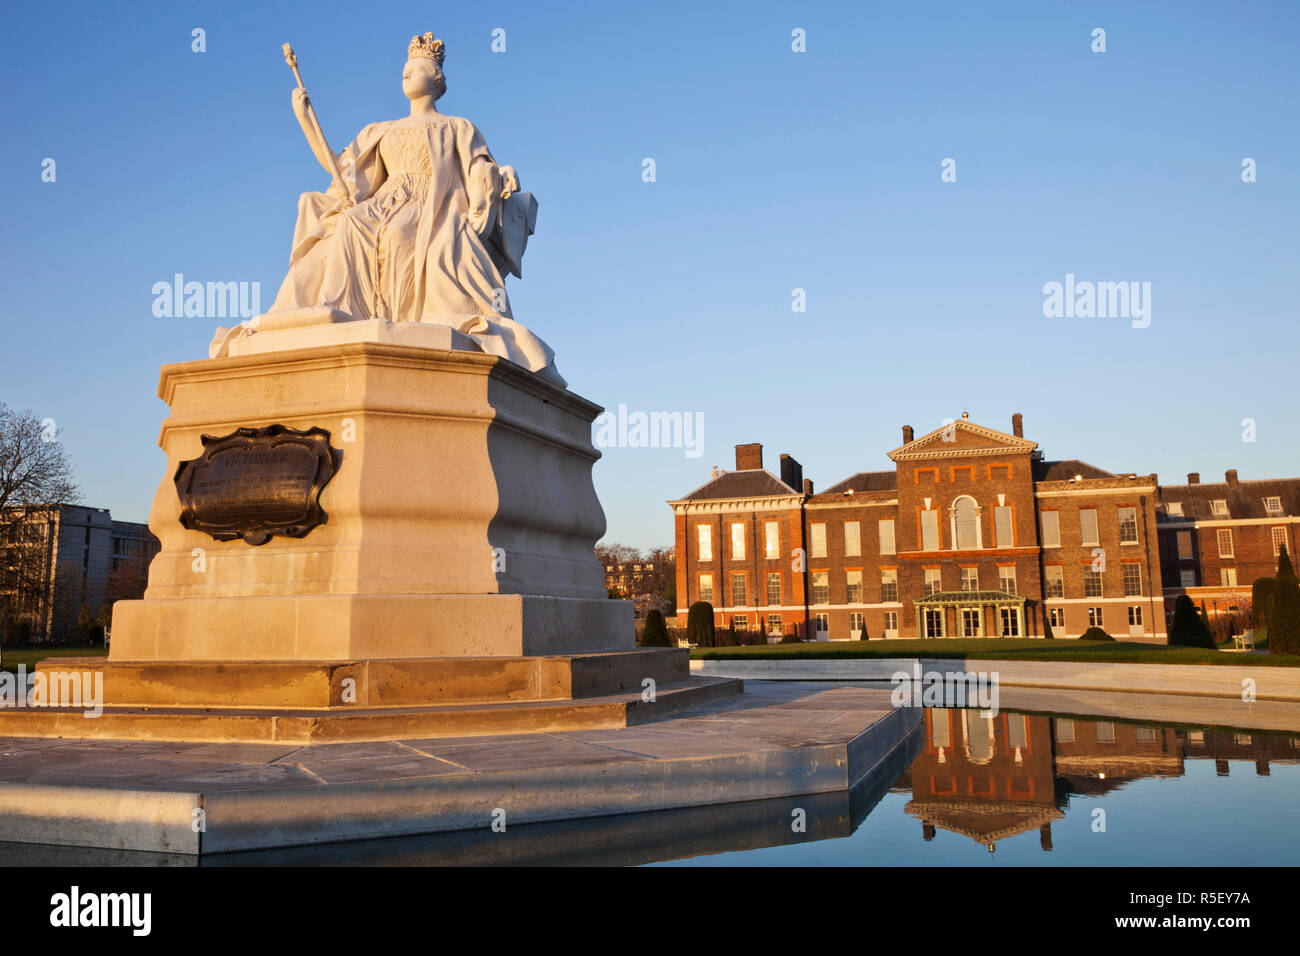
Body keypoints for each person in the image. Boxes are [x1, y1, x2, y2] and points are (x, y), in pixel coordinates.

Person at [265, 32, 564, 386]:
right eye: (405, 68)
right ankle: (339, 312)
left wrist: (498, 175)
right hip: (384, 200)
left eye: (417, 67)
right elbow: (338, 169)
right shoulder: (381, 130)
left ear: (436, 79)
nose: (407, 73)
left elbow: (478, 168)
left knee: (397, 233)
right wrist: (304, 119)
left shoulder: (458, 126)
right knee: (350, 224)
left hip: (431, 203)